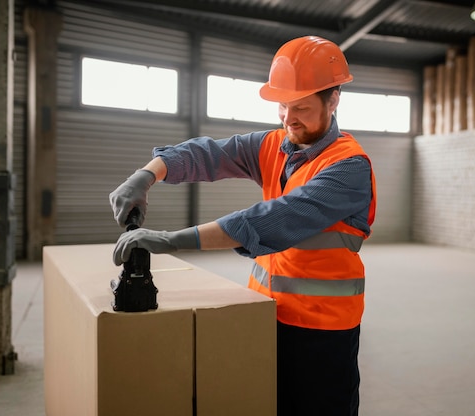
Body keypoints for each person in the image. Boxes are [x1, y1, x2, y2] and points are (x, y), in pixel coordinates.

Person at [109, 35, 377, 416]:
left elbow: (271, 221)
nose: (289, 119)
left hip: (323, 332)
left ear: (333, 100)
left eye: (301, 107)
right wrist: (147, 174)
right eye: (283, 106)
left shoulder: (349, 167)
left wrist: (170, 240)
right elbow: (208, 154)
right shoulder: (274, 145)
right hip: (265, 315)